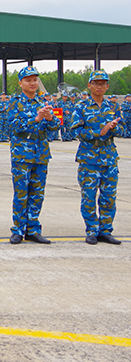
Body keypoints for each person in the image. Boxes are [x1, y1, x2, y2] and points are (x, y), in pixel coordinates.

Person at [7, 66, 59, 244]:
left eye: (35, 80)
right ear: (21, 83)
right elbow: (13, 126)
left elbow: (56, 126)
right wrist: (35, 119)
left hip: (41, 154)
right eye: (28, 80)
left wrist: (50, 118)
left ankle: (33, 228)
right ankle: (18, 229)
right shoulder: (15, 103)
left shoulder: (42, 103)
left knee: (37, 193)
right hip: (22, 154)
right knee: (21, 192)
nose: (32, 83)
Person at [71, 70, 123, 245]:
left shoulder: (114, 107)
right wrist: (99, 132)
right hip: (89, 158)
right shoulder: (81, 107)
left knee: (109, 196)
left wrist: (113, 128)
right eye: (96, 83)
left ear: (107, 86)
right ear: (89, 85)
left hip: (109, 157)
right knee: (89, 196)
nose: (100, 86)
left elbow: (121, 130)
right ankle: (92, 230)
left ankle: (106, 230)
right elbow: (76, 131)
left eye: (103, 83)